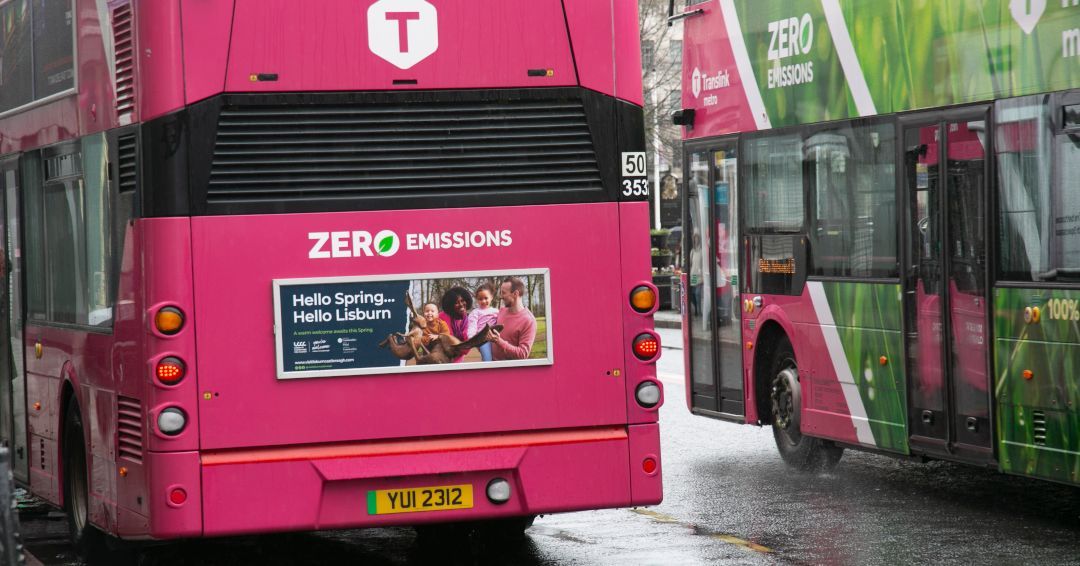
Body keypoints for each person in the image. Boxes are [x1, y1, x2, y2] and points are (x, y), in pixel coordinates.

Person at [485, 277, 537, 361]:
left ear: (515, 294)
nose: (501, 296)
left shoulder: (529, 321)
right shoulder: (501, 311)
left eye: (504, 293)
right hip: (492, 364)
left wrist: (499, 341)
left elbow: (523, 354)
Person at [438, 286, 473, 361]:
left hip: (459, 358)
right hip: (442, 358)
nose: (461, 304)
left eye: (463, 300)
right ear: (450, 305)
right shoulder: (442, 317)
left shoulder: (469, 320)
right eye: (456, 303)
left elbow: (467, 346)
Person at [466, 284, 499, 361]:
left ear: (491, 297)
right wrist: (472, 339)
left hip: (496, 338)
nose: (483, 301)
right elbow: (472, 326)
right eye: (480, 299)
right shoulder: (475, 312)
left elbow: (502, 321)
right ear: (477, 300)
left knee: (498, 358)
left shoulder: (496, 311)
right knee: (487, 359)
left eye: (486, 298)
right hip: (483, 340)